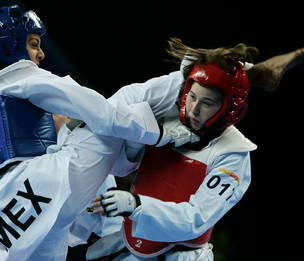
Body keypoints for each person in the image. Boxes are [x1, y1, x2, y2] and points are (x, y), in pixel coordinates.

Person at [0, 5, 199, 261]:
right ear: (11, 46)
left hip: (0, 221)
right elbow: (104, 114)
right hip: (40, 188)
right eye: (34, 44)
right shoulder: (22, 74)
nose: (41, 53)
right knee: (120, 105)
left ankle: (112, 230)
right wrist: (161, 135)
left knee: (71, 139)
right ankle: (191, 76)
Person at [87, 39, 304, 261]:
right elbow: (121, 165)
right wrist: (136, 138)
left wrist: (135, 204)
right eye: (192, 97)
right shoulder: (163, 115)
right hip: (127, 239)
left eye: (207, 103)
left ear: (229, 109)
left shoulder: (233, 155)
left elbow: (197, 218)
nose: (194, 109)